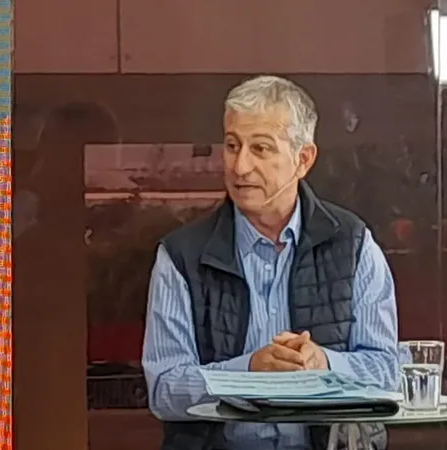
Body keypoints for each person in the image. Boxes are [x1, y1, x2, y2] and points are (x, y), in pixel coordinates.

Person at [142, 75, 399, 450]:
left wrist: (325, 364)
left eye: (260, 149)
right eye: (232, 146)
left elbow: (387, 371)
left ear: (303, 159)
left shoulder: (353, 244)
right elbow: (164, 389)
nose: (240, 166)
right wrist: (248, 372)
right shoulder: (182, 255)